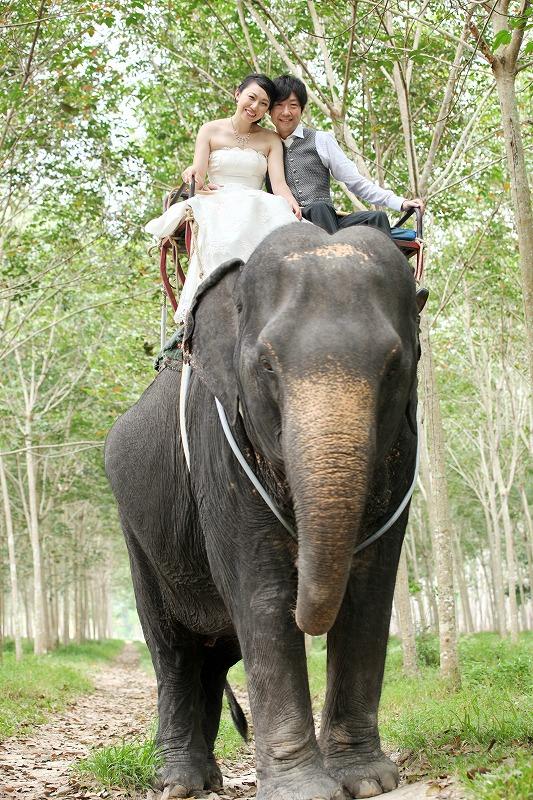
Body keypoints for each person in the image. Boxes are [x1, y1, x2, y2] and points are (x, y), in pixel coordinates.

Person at [145, 74, 301, 323]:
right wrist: (192, 175)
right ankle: (221, 298)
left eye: (263, 103)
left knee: (284, 230)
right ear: (238, 94)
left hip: (256, 199)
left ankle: (271, 300)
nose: (255, 107)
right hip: (218, 196)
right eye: (251, 98)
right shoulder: (210, 130)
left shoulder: (270, 139)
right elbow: (198, 174)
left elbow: (279, 184)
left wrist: (290, 202)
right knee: (225, 232)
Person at [268, 74, 425, 236]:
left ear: (302, 109)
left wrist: (400, 202)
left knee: (376, 218)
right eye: (279, 105)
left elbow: (355, 181)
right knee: (318, 209)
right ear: (269, 110)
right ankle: (332, 251)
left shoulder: (321, 139)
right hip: (286, 221)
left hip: (326, 219)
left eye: (293, 105)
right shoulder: (264, 146)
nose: (286, 112)